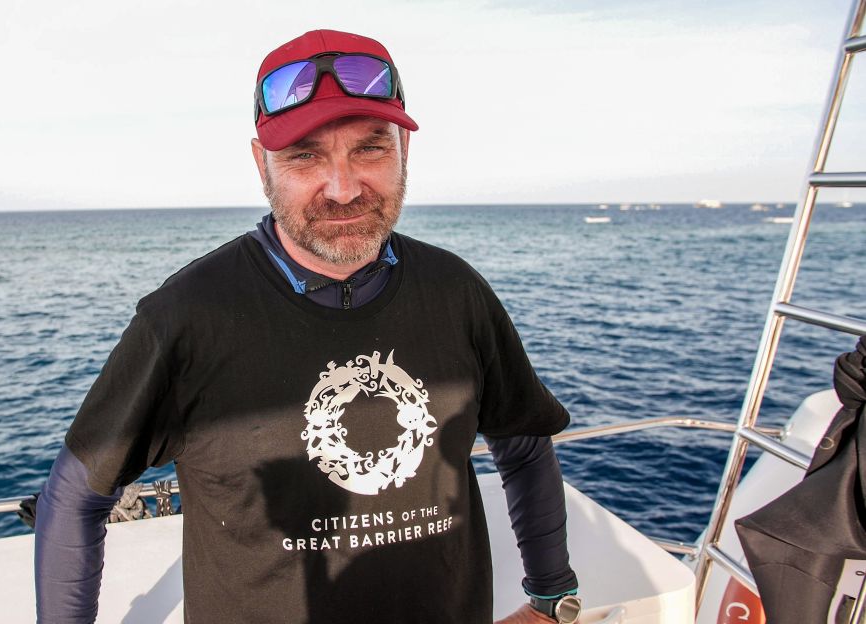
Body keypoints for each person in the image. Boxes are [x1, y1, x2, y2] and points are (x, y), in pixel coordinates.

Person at [34, 29, 580, 624]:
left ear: (403, 150)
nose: (343, 189)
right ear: (260, 164)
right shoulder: (187, 317)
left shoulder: (456, 291)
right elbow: (77, 497)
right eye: (305, 155)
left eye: (369, 149)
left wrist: (554, 599)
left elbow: (523, 443)